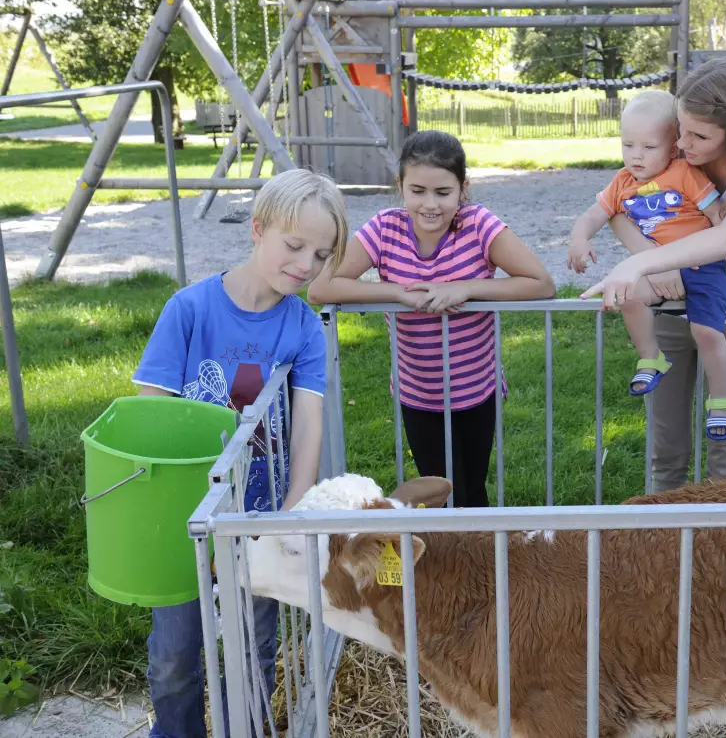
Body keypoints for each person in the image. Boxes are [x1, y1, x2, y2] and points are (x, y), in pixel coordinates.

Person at [132, 167, 348, 738]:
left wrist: (292, 509)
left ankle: (242, 729)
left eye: (322, 255)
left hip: (258, 518)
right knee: (175, 654)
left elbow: (308, 423)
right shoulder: (189, 309)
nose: (306, 265)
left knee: (253, 646)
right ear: (258, 228)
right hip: (186, 517)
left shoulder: (303, 326)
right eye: (295, 245)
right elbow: (148, 411)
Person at [308, 130, 555, 508]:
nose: (430, 204)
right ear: (401, 185)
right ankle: (448, 558)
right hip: (418, 391)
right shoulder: (385, 227)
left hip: (476, 388)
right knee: (440, 492)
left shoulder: (478, 224)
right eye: (418, 190)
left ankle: (479, 562)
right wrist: (396, 291)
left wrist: (467, 287)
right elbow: (321, 289)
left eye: (443, 192)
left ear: (463, 189)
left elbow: (541, 283)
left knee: (472, 489)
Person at [581, 58, 726, 490]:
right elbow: (620, 209)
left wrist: (638, 264)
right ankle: (666, 549)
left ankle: (724, 551)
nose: (682, 142)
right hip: (667, 307)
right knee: (667, 452)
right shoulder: (678, 144)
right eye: (680, 129)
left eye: (698, 135)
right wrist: (653, 258)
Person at [566, 90, 726, 440]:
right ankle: (651, 358)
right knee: (627, 295)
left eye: (648, 147)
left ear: (672, 147)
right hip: (652, 266)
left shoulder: (685, 173)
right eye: (628, 144)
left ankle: (721, 400)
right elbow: (593, 215)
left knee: (707, 331)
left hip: (702, 263)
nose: (636, 155)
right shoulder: (621, 183)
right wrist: (579, 239)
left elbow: (718, 215)